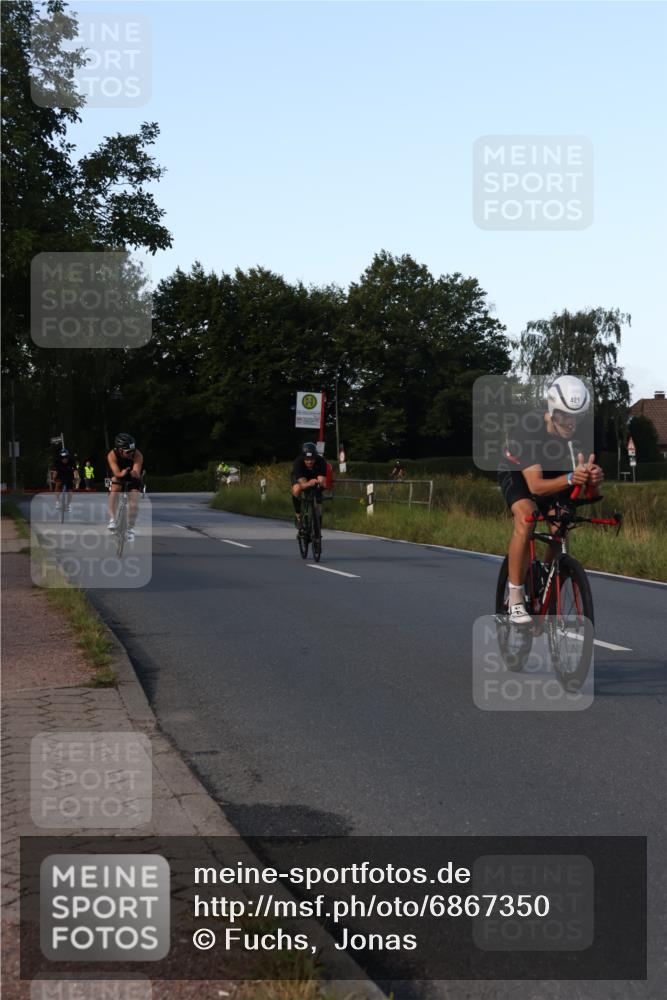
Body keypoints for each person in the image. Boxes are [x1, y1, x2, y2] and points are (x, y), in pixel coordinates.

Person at [497, 375, 603, 625]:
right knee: (526, 516)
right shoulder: (529, 427)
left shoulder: (581, 432)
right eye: (564, 415)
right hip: (518, 470)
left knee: (562, 522)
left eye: (576, 416)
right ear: (552, 411)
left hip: (553, 470)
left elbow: (590, 491)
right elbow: (536, 486)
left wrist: (594, 479)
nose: (570, 422)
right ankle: (515, 596)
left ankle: (548, 578)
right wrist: (571, 478)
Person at [106, 433, 144, 541]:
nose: (131, 453)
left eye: (132, 450)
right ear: (120, 450)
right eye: (128, 452)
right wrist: (121, 473)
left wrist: (132, 473)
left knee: (134, 500)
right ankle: (113, 519)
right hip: (118, 474)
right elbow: (116, 473)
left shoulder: (137, 455)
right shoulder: (112, 455)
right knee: (114, 489)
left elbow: (136, 472)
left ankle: (130, 528)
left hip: (133, 476)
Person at [291, 442, 327, 528]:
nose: (309, 461)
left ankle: (318, 515)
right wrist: (309, 483)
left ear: (315, 457)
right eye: (307, 459)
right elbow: (302, 484)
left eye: (312, 459)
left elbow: (321, 480)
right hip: (301, 477)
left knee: (321, 486)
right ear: (303, 457)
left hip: (314, 476)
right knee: (296, 489)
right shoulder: (298, 462)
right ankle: (298, 515)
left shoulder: (321, 461)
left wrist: (319, 483)